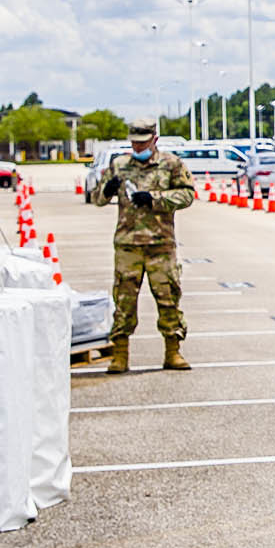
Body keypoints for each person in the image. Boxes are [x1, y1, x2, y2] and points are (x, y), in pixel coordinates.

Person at [91, 118, 197, 373]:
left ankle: (173, 351)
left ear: (154, 140)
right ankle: (120, 354)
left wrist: (154, 198)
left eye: (143, 143)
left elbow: (187, 195)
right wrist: (108, 189)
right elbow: (96, 199)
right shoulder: (118, 165)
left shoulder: (171, 164)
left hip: (161, 245)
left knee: (168, 298)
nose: (139, 148)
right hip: (128, 245)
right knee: (124, 301)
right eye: (134, 144)